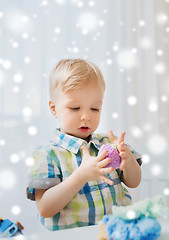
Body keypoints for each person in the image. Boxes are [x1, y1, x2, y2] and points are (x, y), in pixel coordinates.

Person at [26, 59, 142, 230]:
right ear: (53, 108)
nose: (86, 116)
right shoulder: (47, 154)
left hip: (116, 232)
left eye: (95, 108)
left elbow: (133, 182)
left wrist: (128, 160)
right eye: (75, 108)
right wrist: (81, 176)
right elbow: (45, 208)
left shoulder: (108, 143)